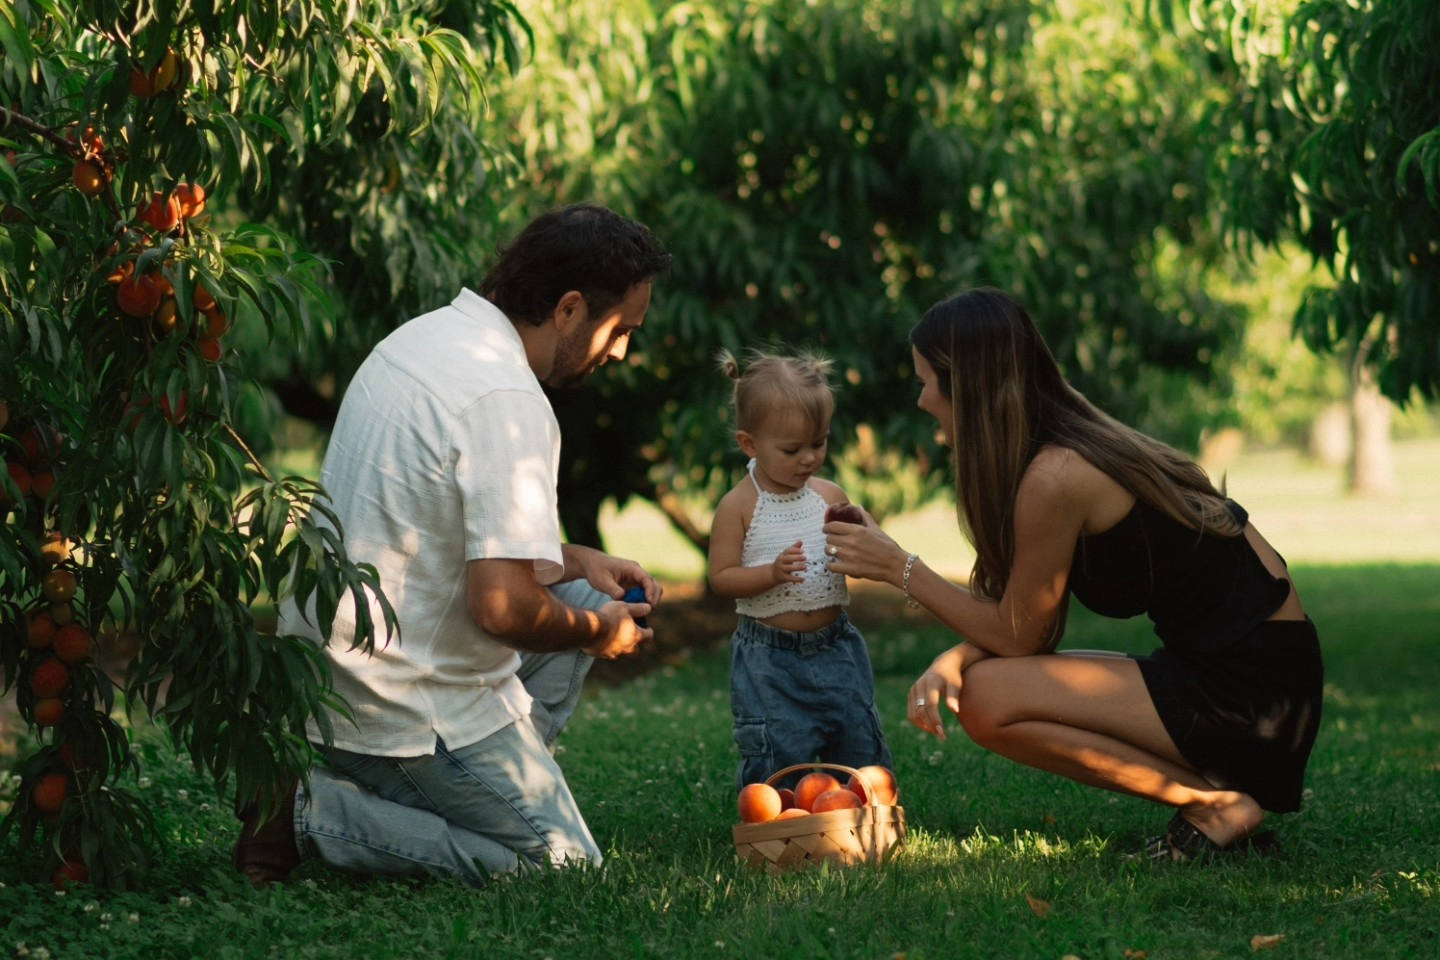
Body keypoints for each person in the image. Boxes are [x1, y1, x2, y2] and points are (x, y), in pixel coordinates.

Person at [233, 202, 673, 887]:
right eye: (620, 330)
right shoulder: (505, 397)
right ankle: (310, 813)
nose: (621, 351)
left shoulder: (426, 340)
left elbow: (437, 527)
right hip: (397, 702)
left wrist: (576, 558)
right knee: (563, 867)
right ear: (568, 309)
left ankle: (472, 792)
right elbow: (501, 606)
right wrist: (597, 633)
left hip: (332, 675)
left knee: (582, 586)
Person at [823, 288, 1323, 861]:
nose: (921, 400)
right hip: (1253, 675)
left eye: (926, 382)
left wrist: (899, 567)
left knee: (985, 702)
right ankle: (1218, 800)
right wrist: (957, 656)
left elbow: (1022, 637)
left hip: (1255, 698)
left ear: (967, 386)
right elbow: (1027, 621)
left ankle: (1212, 804)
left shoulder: (1057, 473)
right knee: (983, 686)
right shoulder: (1065, 448)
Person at [707, 349, 893, 791]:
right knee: (776, 746)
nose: (809, 458)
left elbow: (864, 554)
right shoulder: (739, 506)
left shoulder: (828, 496)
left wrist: (862, 545)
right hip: (768, 658)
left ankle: (861, 821)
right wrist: (769, 574)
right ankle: (776, 834)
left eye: (819, 443)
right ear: (749, 444)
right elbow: (722, 577)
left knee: (857, 739)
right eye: (792, 449)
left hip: (837, 649)